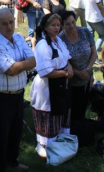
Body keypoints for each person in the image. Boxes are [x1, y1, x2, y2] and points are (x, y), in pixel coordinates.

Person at [0, 8, 35, 172]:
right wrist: (24, 64)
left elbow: (33, 60)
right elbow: (10, 70)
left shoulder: (20, 38)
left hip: (18, 94)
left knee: (15, 132)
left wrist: (20, 64)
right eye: (4, 23)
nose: (9, 26)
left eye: (11, 22)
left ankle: (12, 161)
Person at [30, 14, 74, 158]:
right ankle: (42, 143)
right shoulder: (43, 45)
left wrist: (69, 67)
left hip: (60, 83)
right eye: (53, 25)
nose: (56, 28)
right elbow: (45, 71)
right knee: (47, 113)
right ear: (45, 27)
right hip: (47, 86)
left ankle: (58, 139)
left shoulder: (58, 41)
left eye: (58, 25)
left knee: (60, 110)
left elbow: (66, 57)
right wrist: (64, 73)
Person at [58, 11, 96, 121]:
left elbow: (94, 53)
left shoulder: (85, 32)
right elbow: (63, 61)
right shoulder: (60, 39)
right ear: (62, 25)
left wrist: (87, 69)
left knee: (83, 105)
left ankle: (82, 128)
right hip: (71, 79)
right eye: (67, 24)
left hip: (87, 75)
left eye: (73, 22)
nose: (71, 26)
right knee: (72, 108)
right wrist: (78, 73)